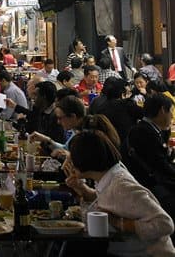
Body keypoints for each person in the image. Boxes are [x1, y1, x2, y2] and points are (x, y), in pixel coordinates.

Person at [65, 130, 175, 257]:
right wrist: (82, 189)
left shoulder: (122, 186)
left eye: (72, 157)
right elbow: (110, 200)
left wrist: (119, 223)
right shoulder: (109, 176)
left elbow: (165, 224)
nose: (69, 162)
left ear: (84, 159)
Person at [126, 94, 175, 226]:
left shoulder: (149, 129)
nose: (172, 116)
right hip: (150, 187)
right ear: (162, 111)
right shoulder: (144, 133)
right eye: (171, 111)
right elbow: (161, 166)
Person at [89, 77, 142, 155]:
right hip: (127, 147)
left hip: (107, 148)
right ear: (122, 94)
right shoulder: (127, 104)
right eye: (128, 93)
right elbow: (146, 114)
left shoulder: (101, 107)